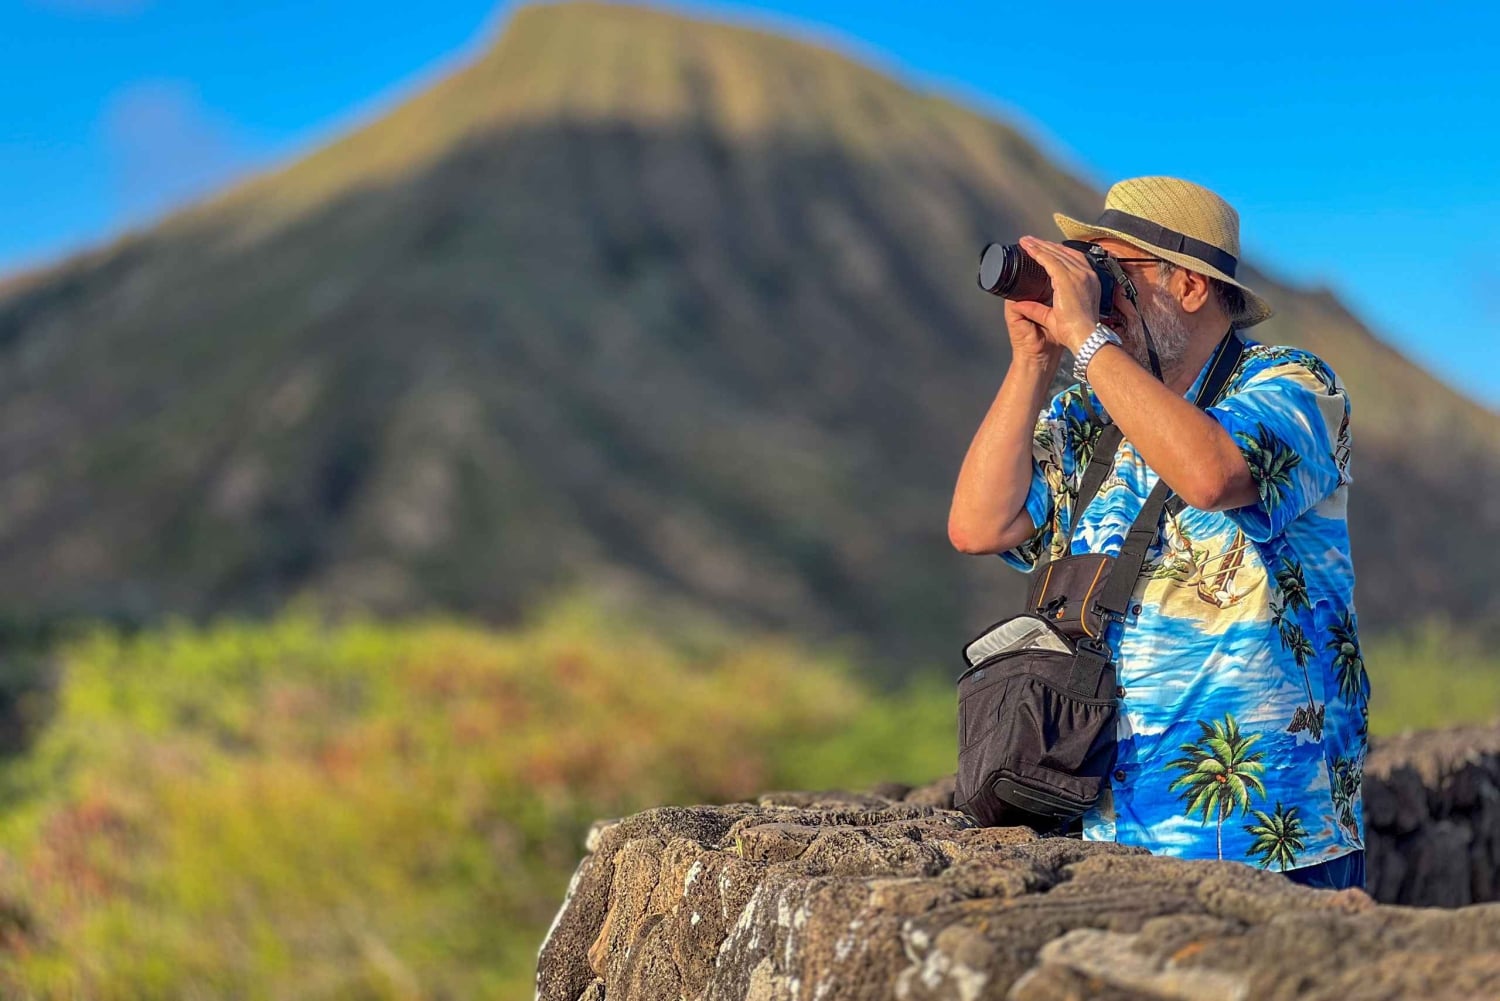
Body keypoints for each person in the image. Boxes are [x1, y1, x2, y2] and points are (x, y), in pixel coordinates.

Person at [947, 177, 1367, 889]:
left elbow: (1210, 473)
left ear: (1193, 287)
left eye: (1114, 272)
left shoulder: (1293, 384)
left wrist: (1084, 336)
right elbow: (979, 524)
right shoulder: (1088, 414)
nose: (1099, 295)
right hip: (1103, 825)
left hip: (1270, 835)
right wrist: (1034, 362)